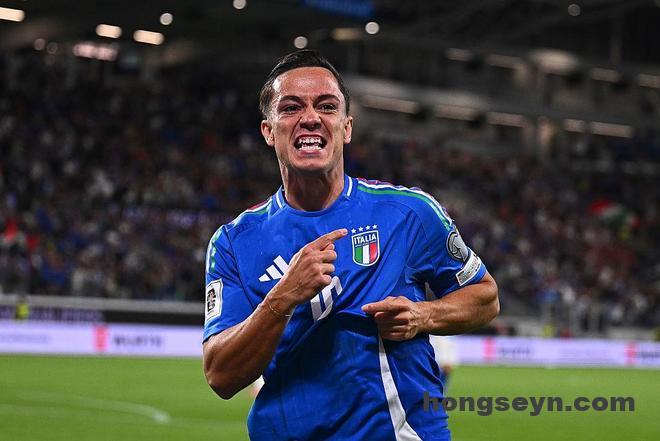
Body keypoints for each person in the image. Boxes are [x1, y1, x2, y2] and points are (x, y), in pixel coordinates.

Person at [202, 49, 499, 441]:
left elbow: (485, 298)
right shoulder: (233, 242)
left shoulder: (408, 213)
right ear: (268, 131)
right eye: (291, 108)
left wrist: (423, 315)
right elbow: (220, 375)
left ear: (346, 128)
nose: (311, 117)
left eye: (327, 106)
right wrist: (283, 297)